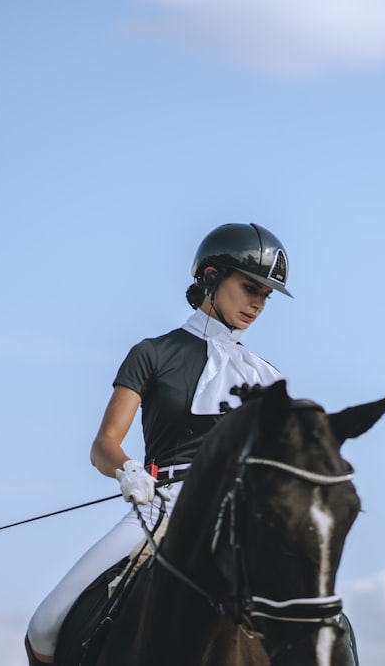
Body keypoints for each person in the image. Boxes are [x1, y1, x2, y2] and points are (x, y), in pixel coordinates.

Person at [25, 222, 292, 664]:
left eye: (265, 296)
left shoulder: (269, 377)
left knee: (329, 626)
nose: (258, 304)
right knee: (46, 625)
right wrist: (127, 469)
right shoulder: (154, 354)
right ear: (210, 276)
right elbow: (104, 444)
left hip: (244, 515)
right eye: (250, 288)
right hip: (160, 505)